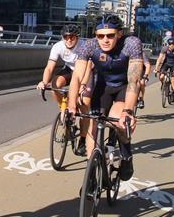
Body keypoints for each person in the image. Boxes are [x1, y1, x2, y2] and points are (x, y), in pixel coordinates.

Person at [67, 15, 142, 181]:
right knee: (93, 126)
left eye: (110, 35)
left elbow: (134, 80)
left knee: (118, 120)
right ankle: (91, 174)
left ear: (119, 34)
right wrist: (71, 106)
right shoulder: (89, 45)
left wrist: (128, 111)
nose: (105, 40)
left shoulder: (131, 44)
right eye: (101, 35)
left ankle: (126, 156)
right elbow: (77, 77)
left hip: (124, 88)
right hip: (102, 88)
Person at [36, 23, 89, 155]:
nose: (69, 39)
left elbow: (88, 68)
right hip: (69, 69)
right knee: (55, 84)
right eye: (66, 37)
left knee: (84, 106)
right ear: (62, 37)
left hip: (83, 71)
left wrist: (82, 85)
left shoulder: (84, 46)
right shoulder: (57, 46)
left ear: (77, 37)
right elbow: (49, 67)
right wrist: (44, 81)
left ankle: (83, 139)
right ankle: (64, 109)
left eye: (72, 37)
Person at [154, 38, 174, 103]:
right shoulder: (165, 48)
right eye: (169, 44)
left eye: (172, 45)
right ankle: (163, 84)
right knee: (161, 76)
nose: (171, 46)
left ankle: (172, 93)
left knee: (173, 80)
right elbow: (159, 58)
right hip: (166, 63)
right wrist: (156, 68)